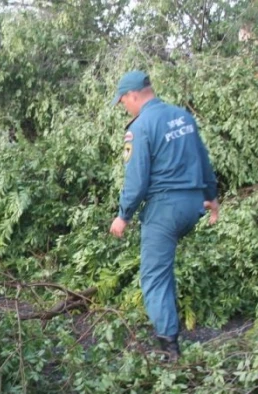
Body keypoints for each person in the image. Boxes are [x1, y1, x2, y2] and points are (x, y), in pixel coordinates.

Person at [109, 70, 219, 361]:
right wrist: (212, 198)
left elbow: (137, 180)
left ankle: (169, 350)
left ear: (133, 95)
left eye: (123, 102)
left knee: (154, 277)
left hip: (165, 209)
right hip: (193, 205)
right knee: (163, 269)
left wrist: (124, 215)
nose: (125, 107)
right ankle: (168, 330)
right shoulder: (182, 116)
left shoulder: (140, 126)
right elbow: (203, 159)